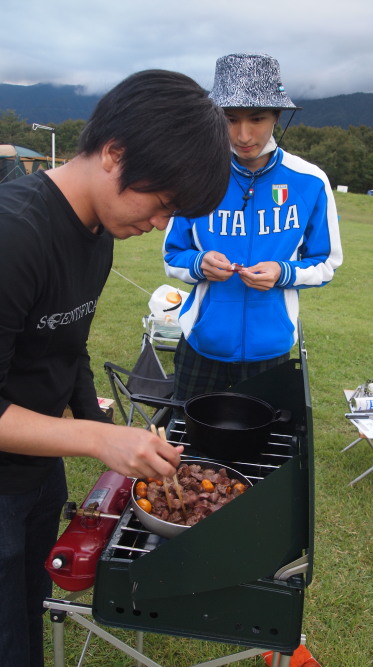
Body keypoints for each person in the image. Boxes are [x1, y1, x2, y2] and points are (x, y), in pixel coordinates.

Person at [0, 68, 230, 666]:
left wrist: (98, 431)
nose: (159, 225)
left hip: (36, 469)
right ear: (114, 152)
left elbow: (65, 343)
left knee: (25, 611)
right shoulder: (13, 236)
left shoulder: (98, 231)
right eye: (161, 204)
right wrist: (99, 437)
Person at [163, 53, 343, 403]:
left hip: (271, 349)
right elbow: (173, 255)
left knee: (262, 447)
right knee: (191, 446)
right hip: (201, 343)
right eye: (230, 119)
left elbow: (326, 263)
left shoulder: (310, 181)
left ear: (277, 115)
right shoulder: (196, 174)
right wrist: (200, 264)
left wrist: (284, 271)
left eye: (257, 118)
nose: (243, 135)